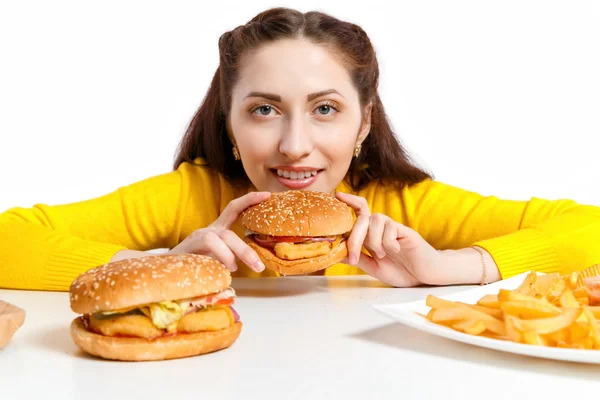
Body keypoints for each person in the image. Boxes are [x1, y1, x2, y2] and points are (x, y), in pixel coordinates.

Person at [1, 7, 599, 292]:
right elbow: (10, 238)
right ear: (230, 123)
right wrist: (160, 267)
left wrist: (448, 269)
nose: (294, 146)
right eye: (264, 110)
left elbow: (588, 229)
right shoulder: (193, 194)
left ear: (363, 124)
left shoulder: (395, 204)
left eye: (325, 109)